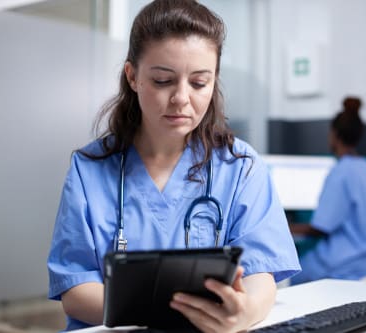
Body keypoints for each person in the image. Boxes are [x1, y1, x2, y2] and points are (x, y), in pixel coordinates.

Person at [47, 0, 301, 331]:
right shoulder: (89, 169)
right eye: (163, 80)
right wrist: (173, 316)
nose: (181, 97)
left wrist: (243, 312)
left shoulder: (241, 167)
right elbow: (76, 288)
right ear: (133, 76)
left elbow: (261, 274)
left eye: (199, 83)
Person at [289, 96, 366, 284]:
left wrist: (285, 227)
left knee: (286, 277)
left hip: (342, 265)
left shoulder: (341, 172)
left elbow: (320, 228)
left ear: (334, 135)